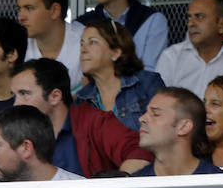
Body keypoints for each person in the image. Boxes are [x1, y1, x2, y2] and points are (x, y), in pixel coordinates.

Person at [10, 58, 149, 176]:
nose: (16, 104)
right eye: (15, 96)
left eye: (24, 94)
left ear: (55, 96)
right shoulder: (19, 136)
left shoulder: (94, 122)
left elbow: (140, 152)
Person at [76, 19, 164, 131]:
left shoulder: (147, 84)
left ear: (115, 53)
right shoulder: (81, 101)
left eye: (93, 42)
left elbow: (167, 132)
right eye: (82, 44)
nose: (83, 50)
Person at [156, 0, 223, 98]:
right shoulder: (172, 56)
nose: (191, 23)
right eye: (189, 17)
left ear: (222, 25)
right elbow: (160, 103)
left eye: (199, 17)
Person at [16, 0, 85, 93]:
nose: (20, 17)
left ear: (54, 11)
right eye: (20, 9)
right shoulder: (18, 49)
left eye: (29, 8)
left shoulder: (86, 42)